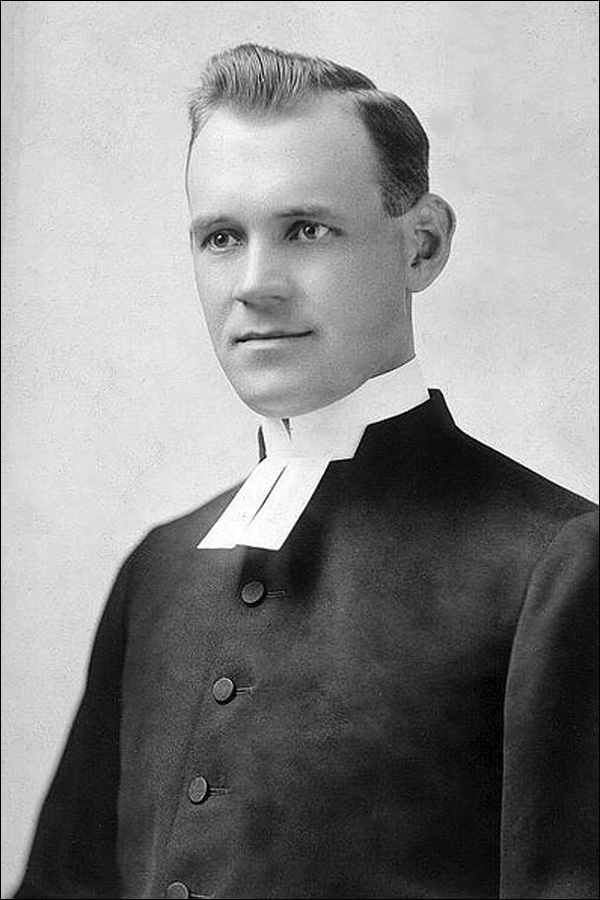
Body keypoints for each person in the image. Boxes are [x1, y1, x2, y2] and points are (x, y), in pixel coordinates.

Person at [12, 43, 598, 900]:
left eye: (307, 230)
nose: (256, 286)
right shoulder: (160, 568)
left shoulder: (557, 562)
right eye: (222, 238)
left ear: (422, 245)